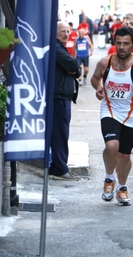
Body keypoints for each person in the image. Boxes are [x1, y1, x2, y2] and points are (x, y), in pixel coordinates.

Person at [90, 26, 133, 206]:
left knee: (124, 156)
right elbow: (95, 78)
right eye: (118, 43)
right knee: (112, 146)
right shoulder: (105, 63)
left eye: (126, 44)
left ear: (132, 44)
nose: (121, 47)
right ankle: (109, 178)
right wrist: (98, 87)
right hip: (109, 110)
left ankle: (122, 188)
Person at [48, 21, 81, 181]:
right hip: (59, 96)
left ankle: (56, 166)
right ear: (55, 32)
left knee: (58, 133)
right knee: (60, 133)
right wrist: (75, 68)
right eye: (63, 31)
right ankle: (60, 169)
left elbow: (75, 69)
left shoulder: (60, 48)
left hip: (61, 96)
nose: (66, 34)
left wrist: (75, 68)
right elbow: (75, 64)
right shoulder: (55, 48)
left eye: (68, 31)